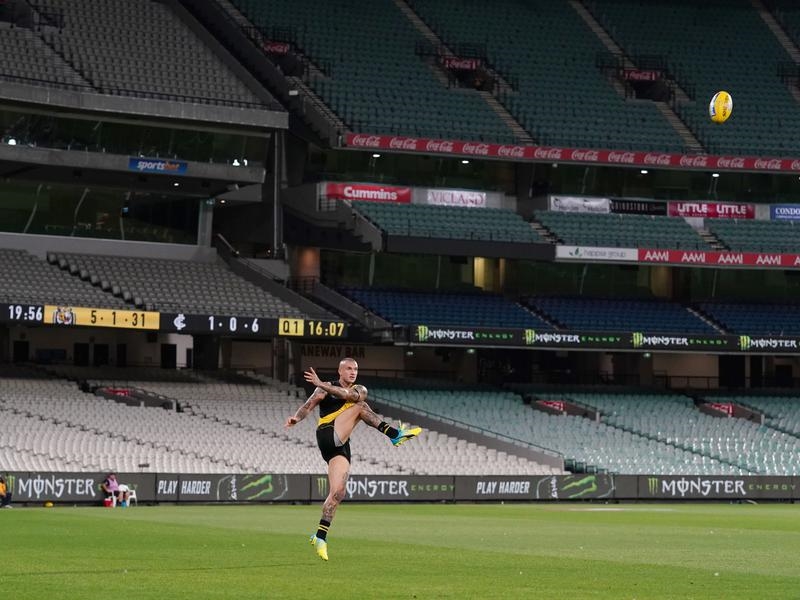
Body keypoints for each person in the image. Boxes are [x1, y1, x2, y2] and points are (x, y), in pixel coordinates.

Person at [285, 357, 421, 561]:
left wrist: (321, 383)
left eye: (355, 369)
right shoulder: (325, 387)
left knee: (338, 492)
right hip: (327, 432)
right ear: (340, 371)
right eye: (348, 368)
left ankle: (320, 536)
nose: (352, 372)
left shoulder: (359, 390)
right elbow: (307, 406)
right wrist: (296, 418)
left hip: (340, 445)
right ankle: (394, 434)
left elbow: (346, 394)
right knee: (360, 406)